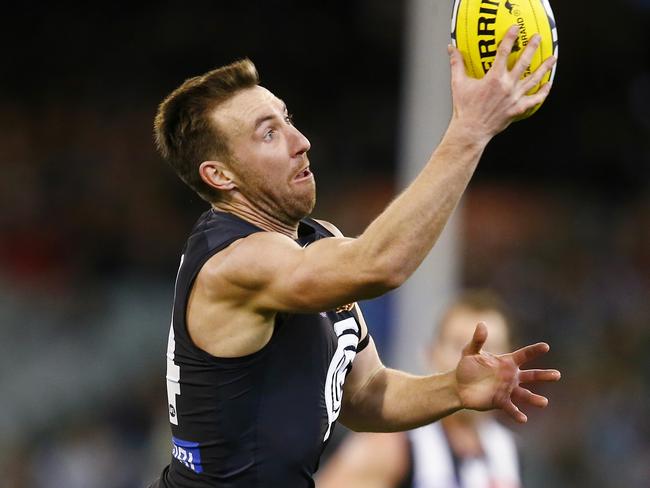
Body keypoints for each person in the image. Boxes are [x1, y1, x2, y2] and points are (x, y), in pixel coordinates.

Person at [148, 26, 559, 488]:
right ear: (219, 175)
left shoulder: (317, 241)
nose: (299, 140)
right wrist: (469, 131)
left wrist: (454, 389)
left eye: (287, 119)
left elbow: (364, 392)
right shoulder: (234, 263)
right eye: (268, 134)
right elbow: (381, 264)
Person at [316, 290, 525, 488]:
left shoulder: (507, 450)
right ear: (430, 354)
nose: (478, 362)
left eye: (492, 349)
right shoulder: (394, 446)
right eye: (460, 346)